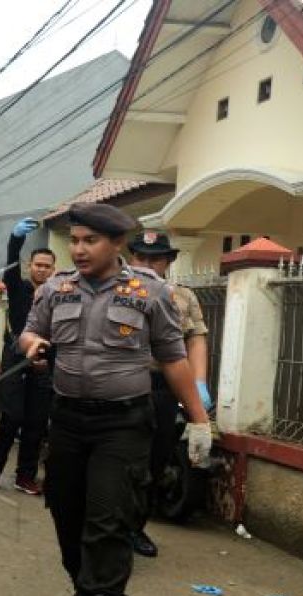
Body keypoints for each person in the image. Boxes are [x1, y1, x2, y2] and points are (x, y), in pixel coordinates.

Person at [19, 202, 211, 596]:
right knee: (66, 513)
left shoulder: (150, 292)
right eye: (75, 240)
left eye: (90, 241)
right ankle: (84, 594)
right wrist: (32, 347)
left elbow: (173, 357)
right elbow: (28, 332)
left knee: (107, 521)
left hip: (123, 426)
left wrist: (199, 419)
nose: (80, 249)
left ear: (117, 244)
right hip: (66, 421)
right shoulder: (55, 289)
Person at [126, 230, 212, 558]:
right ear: (131, 257)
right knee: (118, 458)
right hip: (121, 382)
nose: (147, 264)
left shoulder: (183, 297)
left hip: (162, 385)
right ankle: (107, 526)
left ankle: (135, 527)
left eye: (155, 258)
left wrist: (198, 383)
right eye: (141, 257)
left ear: (168, 261)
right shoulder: (114, 289)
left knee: (155, 459)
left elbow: (196, 339)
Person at [0, 219, 56, 494]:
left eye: (47, 266)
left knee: (36, 423)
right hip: (15, 358)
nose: (41, 269)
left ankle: (25, 476)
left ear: (53, 270)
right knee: (11, 418)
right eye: (37, 264)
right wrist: (15, 240)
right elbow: (10, 263)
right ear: (31, 267)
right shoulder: (17, 287)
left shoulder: (58, 294)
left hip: (43, 362)